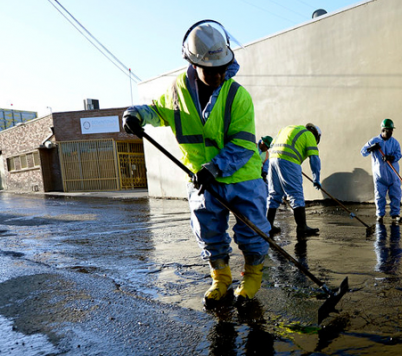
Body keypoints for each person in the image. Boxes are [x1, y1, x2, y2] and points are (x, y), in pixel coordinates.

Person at [121, 20, 269, 308]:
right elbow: (156, 110)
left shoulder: (238, 96)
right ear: (193, 62)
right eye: (210, 69)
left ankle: (252, 277)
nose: (218, 75)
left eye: (222, 68)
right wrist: (135, 114)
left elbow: (242, 145)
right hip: (202, 180)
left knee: (252, 232)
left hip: (241, 177)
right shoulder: (177, 92)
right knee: (208, 232)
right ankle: (221, 278)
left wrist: (214, 168)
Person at [267, 123, 322, 237]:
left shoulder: (288, 128)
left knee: (274, 194)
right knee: (296, 194)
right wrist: (316, 178)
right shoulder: (309, 135)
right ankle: (302, 227)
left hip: (273, 160)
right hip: (289, 161)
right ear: (316, 136)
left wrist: (281, 161)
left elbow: (272, 144)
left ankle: (268, 226)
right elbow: (314, 159)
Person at [361, 118, 402, 223]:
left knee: (396, 195)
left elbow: (399, 154)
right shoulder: (374, 141)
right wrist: (371, 148)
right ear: (383, 130)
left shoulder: (394, 142)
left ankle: (395, 214)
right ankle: (380, 215)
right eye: (388, 130)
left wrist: (391, 157)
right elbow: (363, 152)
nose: (391, 133)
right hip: (379, 176)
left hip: (393, 175)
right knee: (379, 196)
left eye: (391, 130)